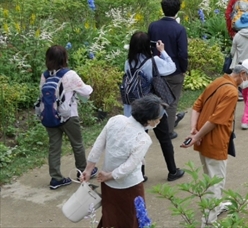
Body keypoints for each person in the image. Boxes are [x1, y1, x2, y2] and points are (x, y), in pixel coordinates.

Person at [182, 60, 248, 226]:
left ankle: (216, 208)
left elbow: (197, 106)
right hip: (215, 141)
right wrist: (197, 136)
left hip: (204, 140)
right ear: (243, 74)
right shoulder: (232, 92)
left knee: (210, 177)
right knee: (216, 183)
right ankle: (209, 222)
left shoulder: (218, 81)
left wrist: (194, 131)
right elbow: (215, 120)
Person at [81, 95, 165, 228]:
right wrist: (110, 176)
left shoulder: (115, 120)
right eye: (158, 120)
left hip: (107, 183)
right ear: (149, 120)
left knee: (111, 215)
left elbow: (98, 145)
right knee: (132, 218)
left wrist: (88, 169)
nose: (158, 122)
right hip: (129, 185)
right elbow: (130, 166)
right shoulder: (143, 138)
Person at [123, 31, 182, 182]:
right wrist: (162, 51)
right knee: (164, 140)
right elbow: (171, 67)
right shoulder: (152, 61)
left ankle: (140, 175)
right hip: (153, 106)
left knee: (138, 142)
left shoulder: (128, 62)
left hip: (135, 108)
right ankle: (172, 171)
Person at [40, 45, 95, 190]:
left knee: (54, 148)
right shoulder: (69, 74)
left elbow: (42, 94)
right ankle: (83, 171)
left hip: (49, 117)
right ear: (64, 58)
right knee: (77, 144)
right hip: (68, 116)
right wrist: (90, 87)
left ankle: (56, 178)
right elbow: (85, 90)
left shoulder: (45, 75)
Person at [147, 0, 188, 139]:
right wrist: (183, 69)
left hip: (156, 71)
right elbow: (182, 53)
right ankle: (169, 131)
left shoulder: (153, 26)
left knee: (158, 100)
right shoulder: (179, 29)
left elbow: (149, 47)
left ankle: (156, 126)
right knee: (172, 102)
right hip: (174, 71)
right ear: (177, 10)